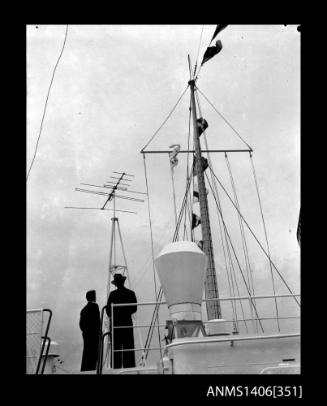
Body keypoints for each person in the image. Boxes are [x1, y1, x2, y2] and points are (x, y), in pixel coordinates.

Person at [106, 273, 137, 369]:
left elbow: (108, 311)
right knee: (129, 347)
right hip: (127, 324)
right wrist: (126, 313)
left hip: (116, 325)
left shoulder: (112, 295)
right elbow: (134, 308)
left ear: (115, 284)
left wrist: (116, 314)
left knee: (116, 348)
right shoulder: (131, 293)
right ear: (123, 282)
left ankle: (116, 368)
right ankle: (130, 367)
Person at [79, 290, 100, 371]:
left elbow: (81, 325)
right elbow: (98, 321)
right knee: (94, 353)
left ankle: (85, 369)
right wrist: (98, 332)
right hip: (94, 334)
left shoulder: (83, 309)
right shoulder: (95, 306)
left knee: (87, 352)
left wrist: (86, 331)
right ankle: (92, 369)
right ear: (93, 297)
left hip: (86, 334)